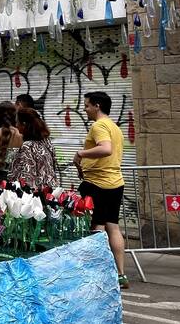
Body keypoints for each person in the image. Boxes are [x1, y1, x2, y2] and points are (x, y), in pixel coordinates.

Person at [73, 91, 128, 289]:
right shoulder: (115, 127)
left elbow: (106, 149)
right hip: (115, 182)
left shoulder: (99, 125)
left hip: (98, 184)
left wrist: (80, 153)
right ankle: (120, 274)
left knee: (97, 227)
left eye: (87, 105)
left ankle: (97, 272)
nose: (85, 109)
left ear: (97, 106)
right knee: (113, 226)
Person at [9, 108, 58, 188]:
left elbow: (26, 177)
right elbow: (53, 165)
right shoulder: (46, 141)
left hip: (37, 195)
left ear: (24, 124)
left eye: (17, 122)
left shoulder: (27, 146)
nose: (16, 125)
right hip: (50, 190)